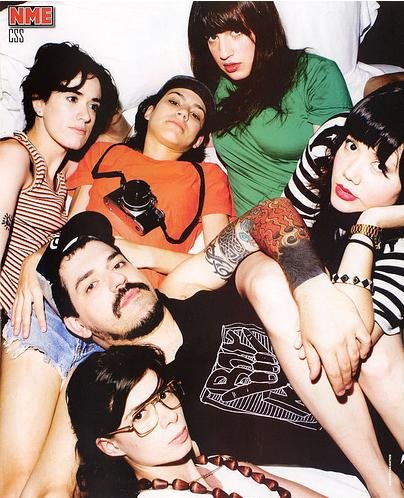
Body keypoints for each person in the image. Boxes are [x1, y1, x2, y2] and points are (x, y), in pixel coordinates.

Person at [20, 201, 399, 497]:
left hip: (386, 413)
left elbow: (268, 214)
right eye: (90, 285)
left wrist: (312, 289)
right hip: (340, 484)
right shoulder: (109, 387)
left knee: (263, 272)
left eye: (116, 263)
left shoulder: (184, 287)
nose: (117, 280)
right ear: (78, 325)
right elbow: (47, 487)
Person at [0, 41, 118, 497]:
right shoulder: (14, 156)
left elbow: (121, 129)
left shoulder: (68, 182)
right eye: (71, 98)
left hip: (50, 333)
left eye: (93, 106)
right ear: (38, 102)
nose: (85, 115)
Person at [276, 82, 404, 463]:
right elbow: (283, 224)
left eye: (381, 167)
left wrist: (370, 224)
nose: (350, 173)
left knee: (377, 357)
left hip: (382, 365)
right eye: (353, 147)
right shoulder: (331, 140)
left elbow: (351, 340)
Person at [67, 345, 325, 498]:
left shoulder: (226, 466)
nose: (170, 416)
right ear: (111, 446)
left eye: (163, 394)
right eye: (140, 415)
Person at [66, 75, 234, 289]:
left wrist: (144, 255)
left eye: (195, 115)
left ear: (198, 140)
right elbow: (71, 229)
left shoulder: (208, 176)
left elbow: (219, 263)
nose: (183, 112)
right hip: (80, 281)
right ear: (149, 111)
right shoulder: (103, 152)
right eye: (174, 101)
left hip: (141, 293)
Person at [188, 1, 352, 215]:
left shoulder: (315, 74)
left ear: (263, 24)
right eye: (213, 36)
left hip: (307, 222)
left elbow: (332, 170)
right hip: (243, 227)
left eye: (236, 32)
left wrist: (277, 225)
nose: (223, 52)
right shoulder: (213, 86)